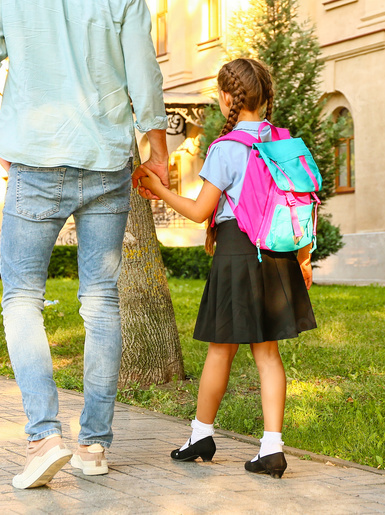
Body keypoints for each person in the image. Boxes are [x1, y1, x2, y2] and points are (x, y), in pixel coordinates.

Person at [0, 0, 169, 489]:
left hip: (35, 162)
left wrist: (1, 139)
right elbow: (144, 82)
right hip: (105, 164)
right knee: (100, 300)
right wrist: (156, 151)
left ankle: (44, 436)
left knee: (22, 296)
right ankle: (94, 446)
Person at [135, 58, 317, 479]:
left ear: (227, 97)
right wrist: (304, 260)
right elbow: (301, 203)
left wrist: (159, 188)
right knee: (268, 354)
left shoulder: (227, 147)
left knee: (221, 347)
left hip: (238, 251)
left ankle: (201, 434)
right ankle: (272, 447)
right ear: (265, 97)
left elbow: (201, 212)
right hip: (278, 252)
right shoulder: (283, 142)